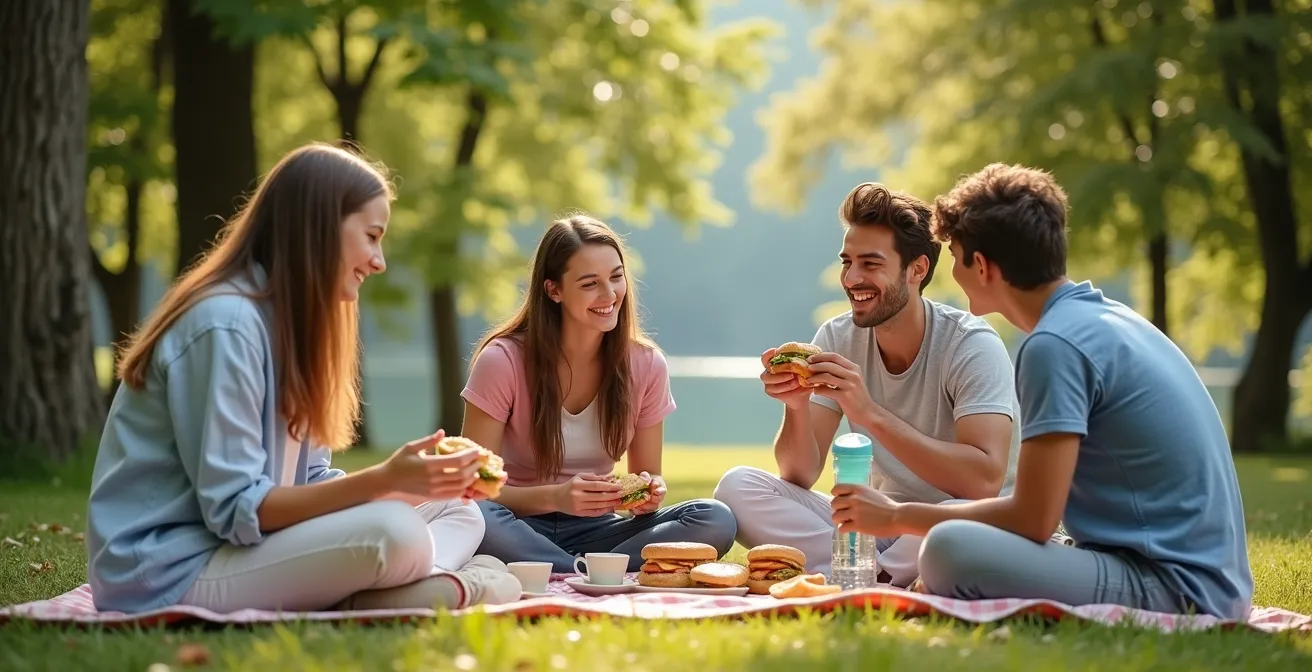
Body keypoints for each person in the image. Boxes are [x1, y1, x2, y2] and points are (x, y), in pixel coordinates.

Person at [87, 143, 520, 614]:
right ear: (318, 227)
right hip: (169, 569)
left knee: (458, 510)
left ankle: (393, 592)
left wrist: (416, 484)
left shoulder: (292, 332)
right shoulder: (226, 324)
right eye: (372, 236)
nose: (380, 261)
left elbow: (310, 483)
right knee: (398, 534)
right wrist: (384, 478)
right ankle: (417, 593)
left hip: (246, 549)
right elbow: (238, 511)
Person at [831, 162, 1254, 619]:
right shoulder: (1099, 318)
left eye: (953, 255)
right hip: (1202, 577)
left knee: (947, 549)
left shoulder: (1053, 345)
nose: (948, 270)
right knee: (953, 541)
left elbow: (1033, 520)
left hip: (1178, 589)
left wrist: (894, 517)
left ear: (982, 265)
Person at [714, 182, 1022, 586]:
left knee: (959, 526)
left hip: (955, 520)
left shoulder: (970, 344)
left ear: (917, 269)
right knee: (737, 486)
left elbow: (982, 483)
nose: (852, 278)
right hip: (878, 524)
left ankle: (857, 572)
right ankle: (875, 575)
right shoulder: (837, 337)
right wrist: (797, 406)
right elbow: (800, 474)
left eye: (871, 264)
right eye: (847, 262)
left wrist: (869, 415)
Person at [462, 215, 737, 573]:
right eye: (590, 283)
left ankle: (562, 568)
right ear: (553, 290)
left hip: (600, 531)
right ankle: (592, 571)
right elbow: (470, 486)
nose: (609, 295)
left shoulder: (646, 364)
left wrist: (646, 492)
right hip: (515, 521)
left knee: (714, 518)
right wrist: (557, 496)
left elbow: (644, 482)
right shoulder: (502, 361)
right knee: (472, 513)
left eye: (616, 277)